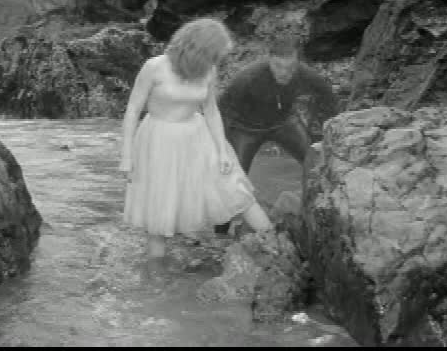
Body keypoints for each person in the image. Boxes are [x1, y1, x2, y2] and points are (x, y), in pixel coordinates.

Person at [118, 18, 273, 273]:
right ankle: (157, 277)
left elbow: (211, 110)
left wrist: (222, 151)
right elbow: (133, 110)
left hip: (198, 136)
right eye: (214, 55)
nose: (216, 61)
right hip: (159, 141)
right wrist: (126, 156)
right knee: (159, 213)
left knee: (236, 191)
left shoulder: (208, 70)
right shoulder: (154, 67)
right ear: (199, 49)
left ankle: (275, 245)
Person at [214, 35, 339, 235]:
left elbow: (328, 97)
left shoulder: (305, 74)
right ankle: (220, 232)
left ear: (297, 63)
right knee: (234, 179)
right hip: (246, 128)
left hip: (283, 123)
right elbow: (221, 111)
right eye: (278, 67)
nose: (284, 73)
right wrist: (221, 147)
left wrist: (327, 132)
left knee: (314, 160)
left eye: (290, 68)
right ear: (270, 60)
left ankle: (321, 210)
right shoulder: (248, 78)